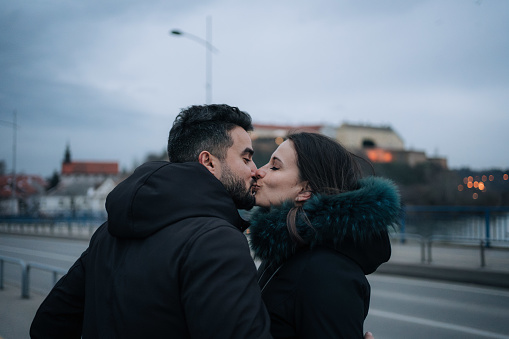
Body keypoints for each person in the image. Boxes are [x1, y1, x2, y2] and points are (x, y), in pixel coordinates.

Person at [30, 104, 272, 338]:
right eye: (246, 158)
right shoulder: (217, 241)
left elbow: (49, 324)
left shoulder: (108, 233)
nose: (256, 170)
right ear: (208, 162)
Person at [249, 132, 401, 338]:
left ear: (305, 190)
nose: (258, 172)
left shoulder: (325, 272)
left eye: (275, 166)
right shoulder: (285, 250)